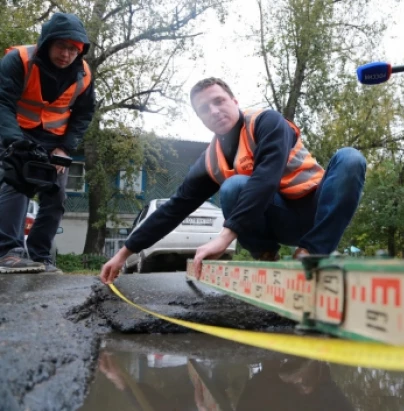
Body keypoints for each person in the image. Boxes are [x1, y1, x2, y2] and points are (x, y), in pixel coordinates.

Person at [100, 77, 366, 284]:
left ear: (234, 101)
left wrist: (225, 237)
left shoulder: (267, 122)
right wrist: (124, 253)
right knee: (233, 187)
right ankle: (265, 256)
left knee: (350, 158)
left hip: (318, 212)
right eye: (204, 109)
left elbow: (266, 178)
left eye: (219, 101)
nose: (214, 111)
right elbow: (175, 207)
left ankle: (312, 252)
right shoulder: (210, 160)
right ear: (200, 119)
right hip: (276, 221)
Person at [0, 12, 96, 274]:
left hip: (55, 140)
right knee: (17, 182)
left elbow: (84, 113)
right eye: (60, 46)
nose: (66, 54)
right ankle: (8, 252)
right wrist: (15, 142)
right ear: (47, 43)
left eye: (73, 49)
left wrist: (65, 147)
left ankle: (42, 256)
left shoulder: (84, 74)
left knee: (56, 193)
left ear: (80, 51)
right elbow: (3, 102)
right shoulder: (18, 59)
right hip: (17, 133)